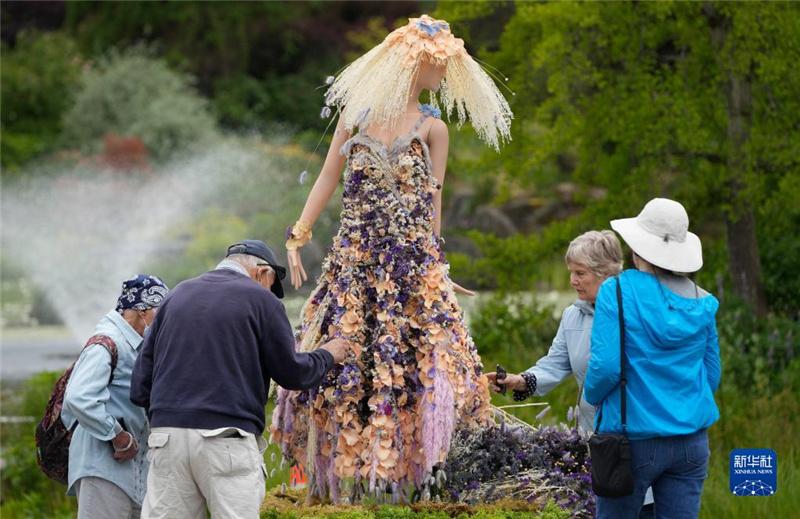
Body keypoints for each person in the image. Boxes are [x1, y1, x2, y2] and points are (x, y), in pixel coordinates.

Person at [271, 14, 513, 502]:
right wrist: (299, 231)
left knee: (416, 363)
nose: (442, 77)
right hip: (354, 264)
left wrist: (436, 263)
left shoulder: (433, 128)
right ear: (415, 63)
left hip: (409, 268)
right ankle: (342, 486)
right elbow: (327, 178)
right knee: (345, 358)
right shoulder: (356, 116)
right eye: (437, 67)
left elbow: (433, 198)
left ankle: (414, 481)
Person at [130, 240, 349, 518]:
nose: (270, 291)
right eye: (271, 284)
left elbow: (139, 386)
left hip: (167, 438)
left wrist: (171, 420)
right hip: (226, 439)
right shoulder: (262, 301)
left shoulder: (175, 296)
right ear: (262, 273)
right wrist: (327, 355)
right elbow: (292, 373)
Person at [584, 198, 721, 519]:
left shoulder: (616, 290)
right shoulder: (704, 301)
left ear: (637, 246)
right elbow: (711, 373)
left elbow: (605, 367)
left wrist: (592, 399)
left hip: (632, 440)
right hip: (691, 442)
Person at [486, 230, 623, 434]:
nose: (572, 280)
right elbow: (555, 364)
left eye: (580, 273)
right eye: (571, 272)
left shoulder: (633, 314)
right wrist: (520, 381)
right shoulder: (572, 315)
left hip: (633, 437)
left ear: (605, 274)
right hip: (591, 437)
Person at [62, 275, 169, 519]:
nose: (164, 322)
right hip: (102, 466)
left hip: (126, 469)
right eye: (160, 313)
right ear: (142, 311)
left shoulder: (135, 344)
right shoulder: (106, 342)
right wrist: (118, 436)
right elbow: (79, 398)